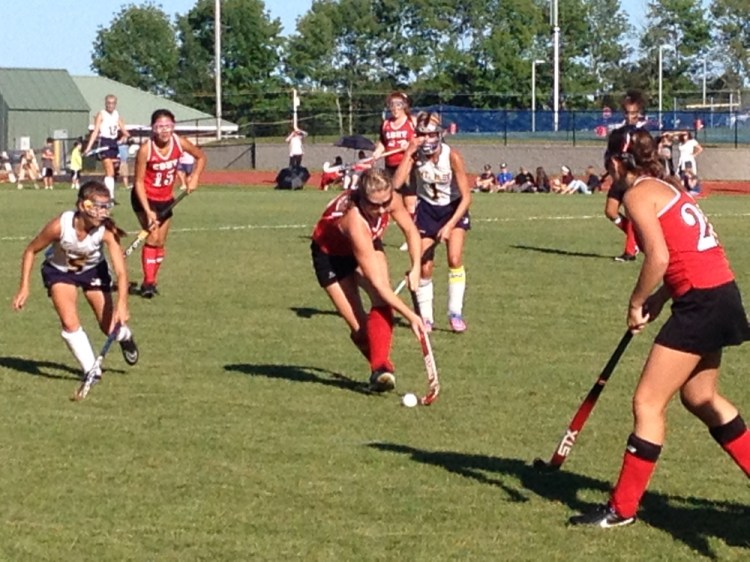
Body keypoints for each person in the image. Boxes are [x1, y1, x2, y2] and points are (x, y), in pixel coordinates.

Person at [570, 126, 750, 528]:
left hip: (701, 303)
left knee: (647, 404)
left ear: (616, 162)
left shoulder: (637, 194)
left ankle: (622, 509)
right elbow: (686, 256)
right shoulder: (667, 188)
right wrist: (659, 299)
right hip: (721, 293)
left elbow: (659, 258)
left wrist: (636, 302)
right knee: (701, 397)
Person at [12, 181, 140, 382]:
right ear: (82, 206)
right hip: (60, 272)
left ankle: (124, 337)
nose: (102, 212)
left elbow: (122, 273)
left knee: (109, 328)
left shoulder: (106, 232)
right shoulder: (59, 226)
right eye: (97, 207)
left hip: (92, 271)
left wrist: (122, 304)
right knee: (69, 322)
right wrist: (24, 287)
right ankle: (91, 370)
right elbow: (30, 251)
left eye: (106, 207)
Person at [310, 168, 425, 392]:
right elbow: (379, 285)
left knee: (382, 302)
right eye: (374, 205)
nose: (381, 210)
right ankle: (381, 369)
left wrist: (416, 268)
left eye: (386, 203)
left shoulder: (388, 199)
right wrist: (411, 316)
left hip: (370, 243)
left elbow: (411, 231)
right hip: (331, 257)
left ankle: (381, 369)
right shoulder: (355, 222)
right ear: (361, 199)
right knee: (361, 330)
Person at [392, 111, 472, 333]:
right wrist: (408, 152)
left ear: (439, 135)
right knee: (424, 266)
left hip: (454, 209)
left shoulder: (452, 156)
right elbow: (397, 183)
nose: (426, 140)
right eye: (421, 135)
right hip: (427, 210)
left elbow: (467, 197)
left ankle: (455, 313)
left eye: (430, 135)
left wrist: (449, 225)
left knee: (454, 257)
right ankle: (426, 318)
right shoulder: (416, 156)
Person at [132, 109, 206, 299]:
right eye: (160, 127)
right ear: (153, 128)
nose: (164, 131)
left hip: (165, 198)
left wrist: (194, 176)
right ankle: (147, 283)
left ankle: (152, 280)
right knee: (152, 237)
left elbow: (201, 157)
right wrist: (148, 211)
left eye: (168, 126)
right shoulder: (145, 150)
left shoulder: (179, 142)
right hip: (144, 198)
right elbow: (138, 182)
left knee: (160, 241)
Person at [605, 90, 647, 262]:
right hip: (619, 178)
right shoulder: (619, 132)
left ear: (639, 114)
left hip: (632, 179)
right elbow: (611, 151)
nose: (630, 117)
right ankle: (637, 238)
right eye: (627, 113)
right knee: (610, 211)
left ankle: (630, 251)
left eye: (633, 114)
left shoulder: (642, 133)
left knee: (631, 213)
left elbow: (646, 156)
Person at [84, 94, 128, 201]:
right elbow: (95, 132)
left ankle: (102, 191)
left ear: (115, 104)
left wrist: (124, 137)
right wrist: (88, 147)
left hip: (114, 144)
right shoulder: (101, 114)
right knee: (109, 171)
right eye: (108, 103)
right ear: (105, 103)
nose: (110, 105)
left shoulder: (117, 115)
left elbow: (125, 131)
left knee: (114, 172)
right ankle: (110, 197)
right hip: (105, 143)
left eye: (112, 103)